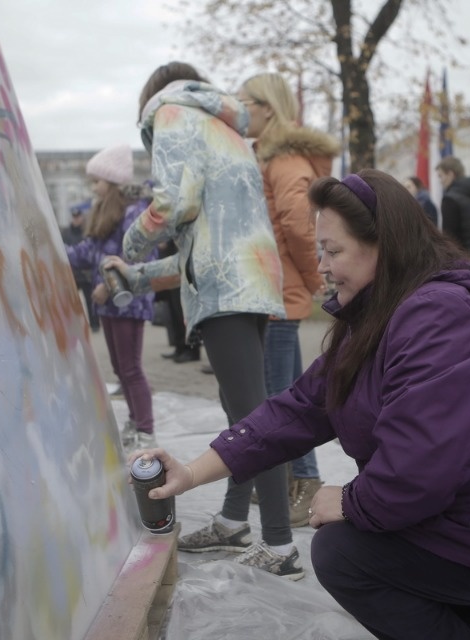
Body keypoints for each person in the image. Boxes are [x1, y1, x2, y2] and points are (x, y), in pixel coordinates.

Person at [131, 169, 470, 640]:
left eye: (333, 252)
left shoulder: (443, 318)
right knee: (358, 543)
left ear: (385, 245)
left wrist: (351, 501)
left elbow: (421, 470)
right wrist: (190, 473)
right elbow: (299, 409)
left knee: (343, 553)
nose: (323, 268)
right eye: (319, 252)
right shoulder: (380, 313)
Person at [111, 62, 301, 578]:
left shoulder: (170, 114)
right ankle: (233, 521)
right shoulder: (224, 128)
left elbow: (175, 202)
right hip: (251, 279)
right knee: (245, 417)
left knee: (254, 423)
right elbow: (197, 252)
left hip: (225, 287)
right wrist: (136, 275)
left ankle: (280, 547)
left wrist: (130, 241)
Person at [237, 71, 338, 527]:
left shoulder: (284, 161)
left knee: (280, 396)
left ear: (267, 109)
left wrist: (318, 275)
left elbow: (301, 225)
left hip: (280, 292)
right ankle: (290, 479)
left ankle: (305, 481)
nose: (240, 112)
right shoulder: (269, 157)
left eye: (246, 103)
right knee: (288, 390)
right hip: (272, 290)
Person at [66, 144, 157, 451]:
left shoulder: (134, 212)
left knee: (131, 368)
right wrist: (53, 251)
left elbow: (139, 255)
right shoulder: (104, 212)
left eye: (98, 181)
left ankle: (145, 430)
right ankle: (135, 420)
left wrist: (109, 284)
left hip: (127, 301)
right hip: (109, 304)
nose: (94, 187)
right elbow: (87, 252)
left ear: (113, 181)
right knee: (120, 369)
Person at [59, 203, 101, 333]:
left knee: (91, 300)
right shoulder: (65, 232)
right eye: (74, 217)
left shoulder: (87, 231)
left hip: (86, 273)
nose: (76, 219)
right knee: (69, 300)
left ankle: (95, 324)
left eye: (78, 217)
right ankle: (71, 324)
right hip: (72, 273)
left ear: (82, 217)